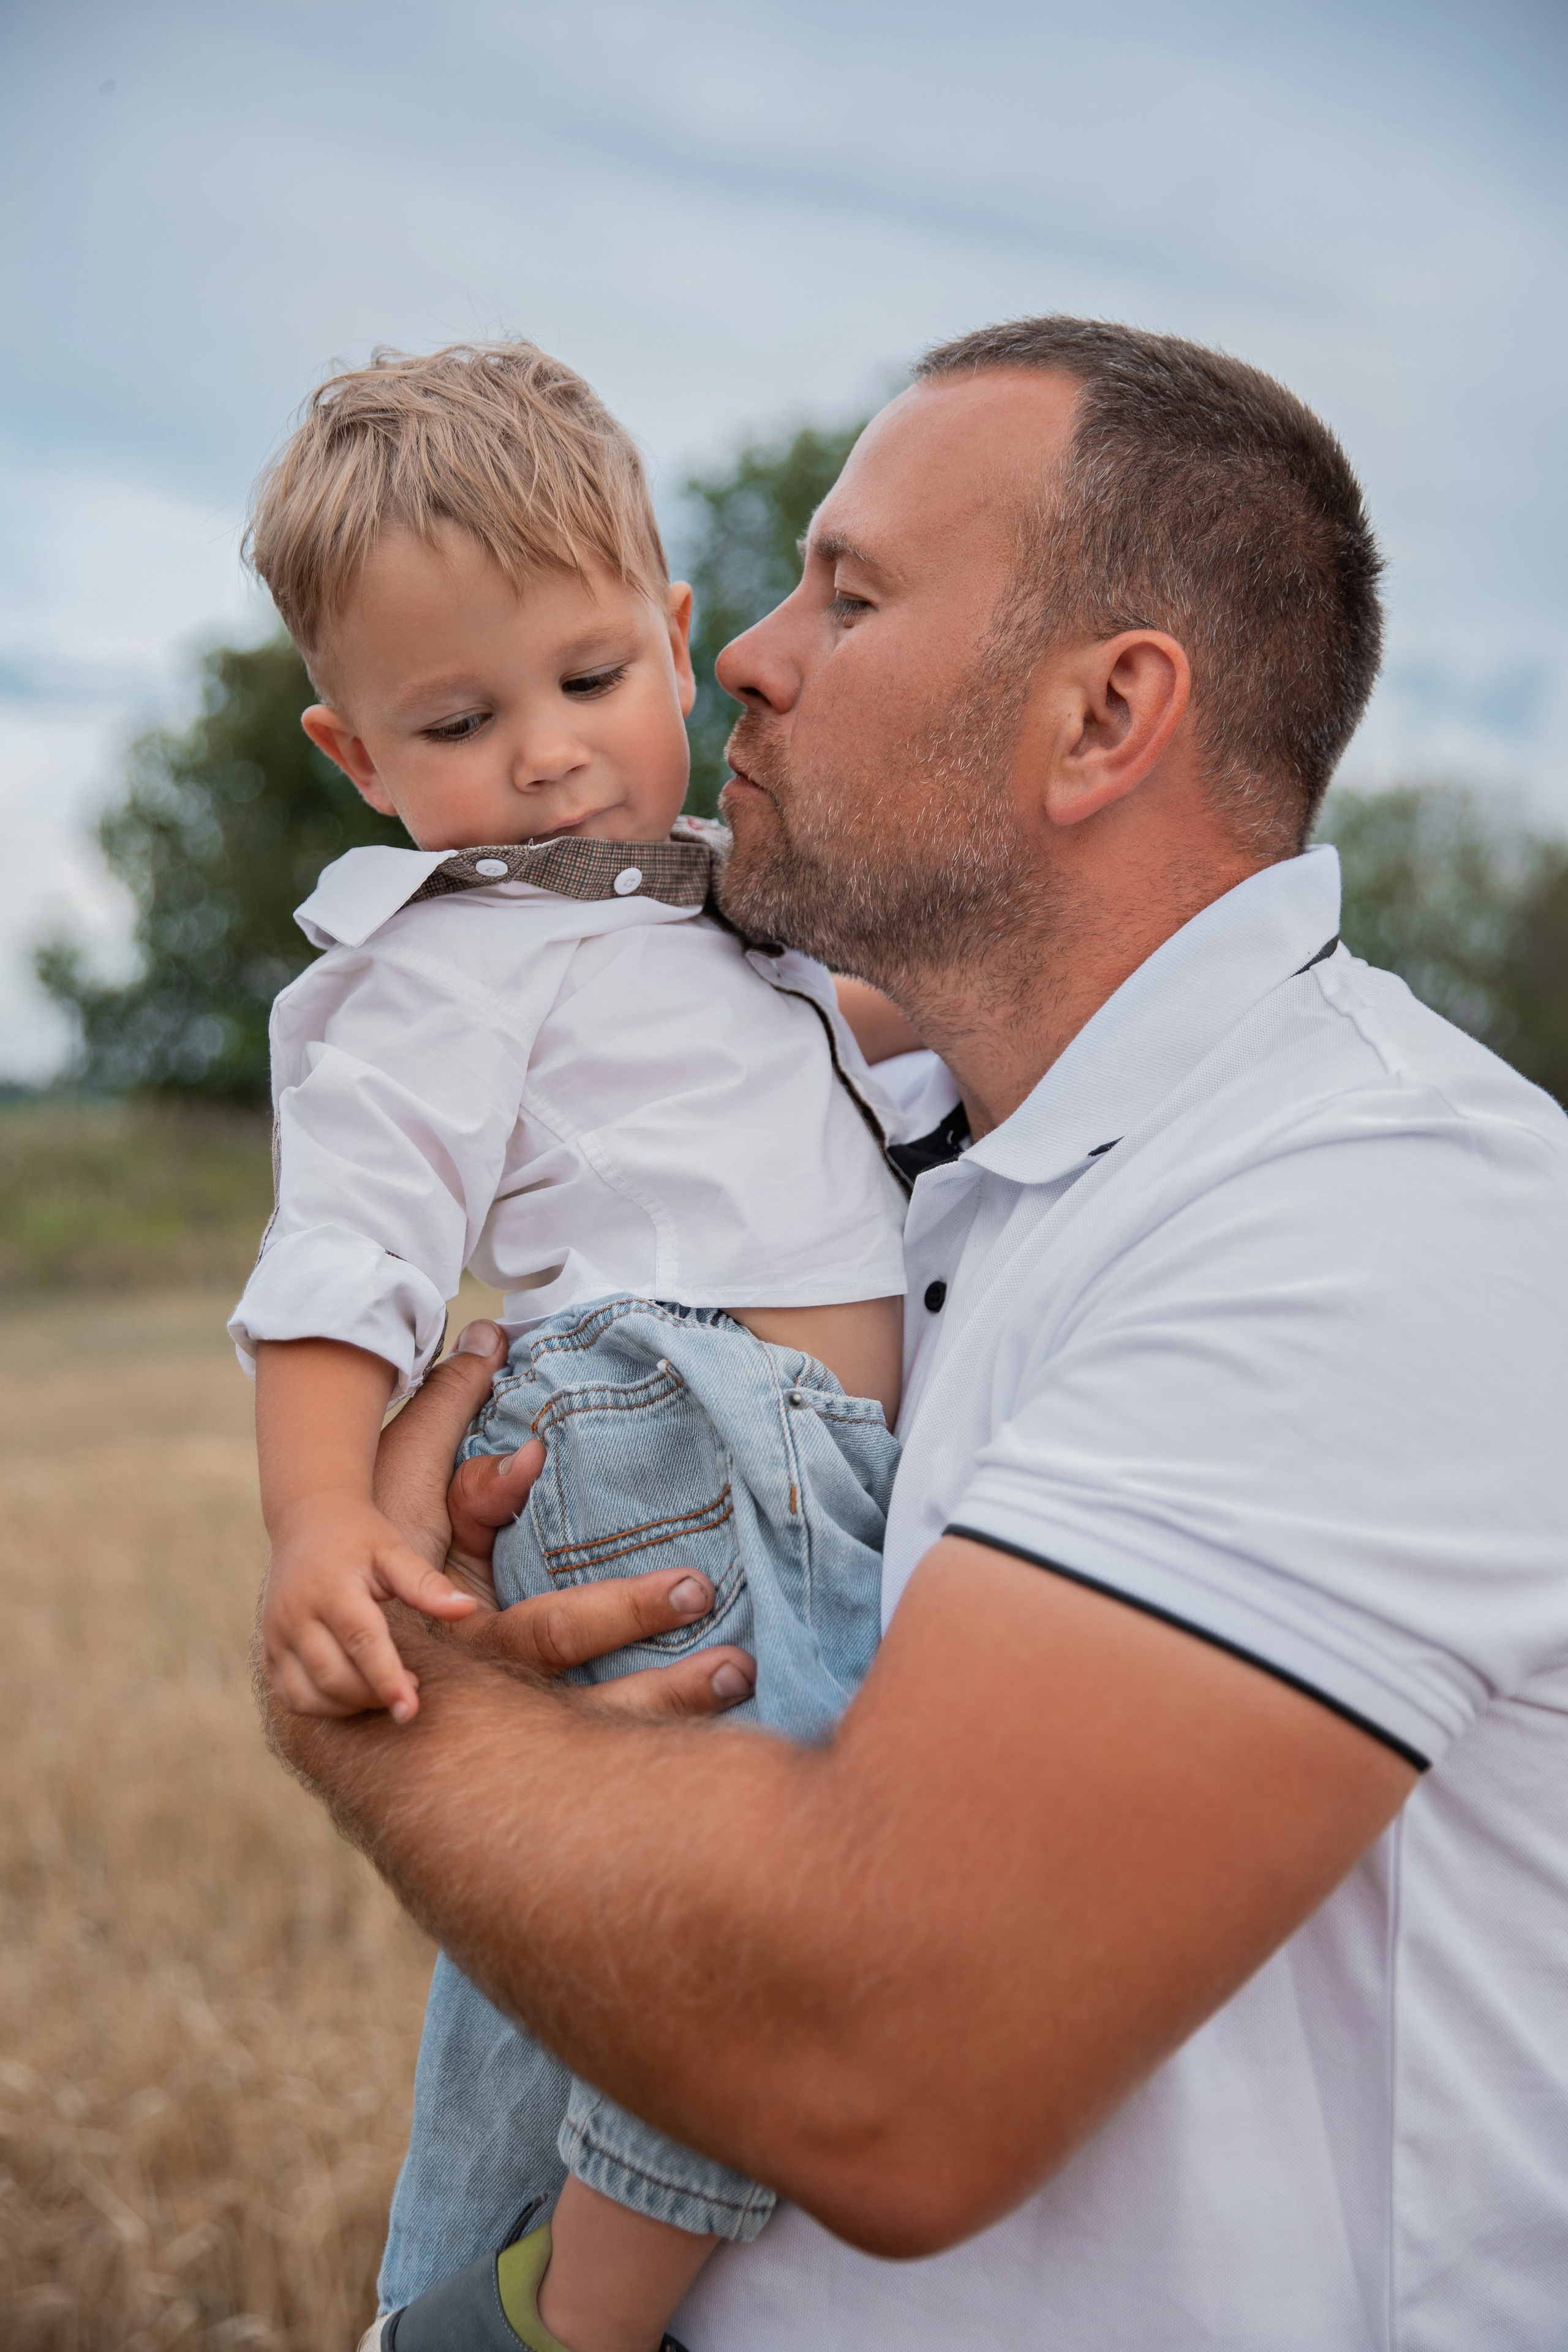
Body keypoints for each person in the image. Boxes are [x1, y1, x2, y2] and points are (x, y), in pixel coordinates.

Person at [262, 318, 1568, 2351]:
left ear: (1105, 713)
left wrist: (381, 1732)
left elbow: (889, 2060)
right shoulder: (922, 1140)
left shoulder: (1370, 1207)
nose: (753, 655)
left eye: (847, 594)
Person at [229, 341, 911, 2351]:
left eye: (590, 679)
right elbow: (348, 1247)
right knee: (762, 1910)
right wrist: (311, 1521)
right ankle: (579, 2317)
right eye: (457, 717)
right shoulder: (447, 953)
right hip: (666, 1431)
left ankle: (452, 2298)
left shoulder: (707, 902)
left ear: (679, 637)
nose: (540, 755)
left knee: (579, 1935)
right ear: (355, 757)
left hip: (788, 1449)